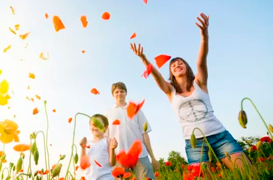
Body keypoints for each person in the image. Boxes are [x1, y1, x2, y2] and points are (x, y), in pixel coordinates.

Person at [130, 12, 251, 175]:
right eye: (173, 65)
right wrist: (144, 58)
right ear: (171, 74)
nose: (176, 64)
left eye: (180, 63)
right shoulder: (170, 91)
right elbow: (156, 75)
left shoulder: (199, 83)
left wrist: (204, 37)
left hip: (220, 136)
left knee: (249, 174)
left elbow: (201, 61)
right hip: (194, 144)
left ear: (187, 67)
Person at [104, 82, 160, 180]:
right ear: (112, 95)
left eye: (122, 91)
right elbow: (105, 139)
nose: (119, 94)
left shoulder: (136, 110)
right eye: (116, 92)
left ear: (126, 93)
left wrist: (153, 157)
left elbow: (144, 134)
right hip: (118, 156)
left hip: (139, 155)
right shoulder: (108, 113)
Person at [80, 114, 118, 180]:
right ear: (90, 127)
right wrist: (82, 147)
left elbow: (112, 163)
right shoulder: (87, 143)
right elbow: (82, 164)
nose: (95, 127)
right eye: (92, 124)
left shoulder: (107, 141)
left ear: (106, 127)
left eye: (98, 124)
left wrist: (112, 149)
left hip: (106, 178)